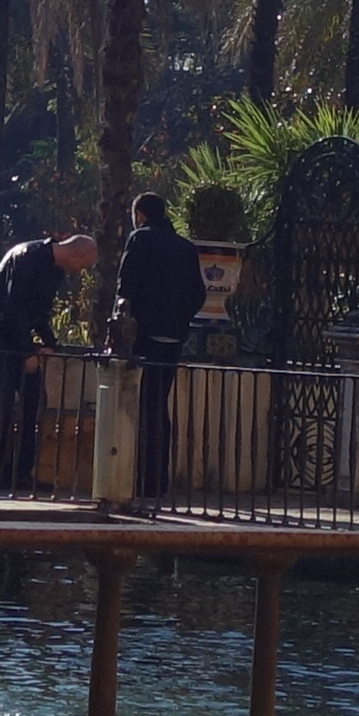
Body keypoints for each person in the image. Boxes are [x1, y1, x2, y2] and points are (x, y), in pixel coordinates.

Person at [0, 229, 95, 493]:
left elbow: (39, 312)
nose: (80, 271)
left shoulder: (55, 270)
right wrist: (27, 352)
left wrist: (49, 342)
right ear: (77, 253)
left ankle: (20, 473)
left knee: (35, 403)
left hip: (16, 335)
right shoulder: (27, 256)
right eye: (83, 264)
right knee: (0, 401)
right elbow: (11, 308)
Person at [113, 192, 206, 502]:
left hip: (145, 337)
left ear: (139, 214)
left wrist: (125, 325)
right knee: (159, 406)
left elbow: (126, 287)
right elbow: (198, 295)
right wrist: (179, 322)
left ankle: (140, 479)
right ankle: (158, 480)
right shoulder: (186, 248)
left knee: (142, 406)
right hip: (174, 338)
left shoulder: (139, 240)